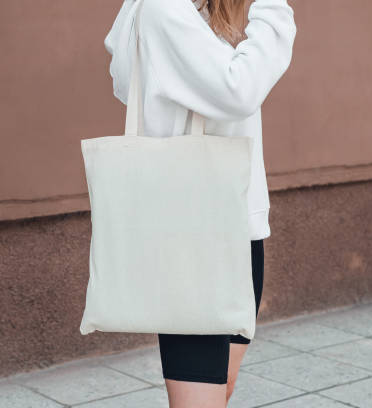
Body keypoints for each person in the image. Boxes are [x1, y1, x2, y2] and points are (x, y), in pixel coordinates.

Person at [103, 0, 296, 406]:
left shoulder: (207, 13)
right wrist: (275, 9)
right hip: (193, 239)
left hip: (240, 230)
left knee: (220, 387)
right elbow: (238, 90)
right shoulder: (161, 8)